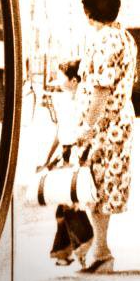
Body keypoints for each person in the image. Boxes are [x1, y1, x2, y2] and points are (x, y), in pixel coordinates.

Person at [73, 0, 138, 274]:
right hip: (118, 121)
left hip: (104, 125)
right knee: (101, 186)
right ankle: (97, 249)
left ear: (89, 12)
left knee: (94, 187)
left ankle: (100, 251)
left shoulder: (105, 40)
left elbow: (101, 87)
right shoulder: (125, 37)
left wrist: (87, 126)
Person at [47, 59, 94, 267]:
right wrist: (47, 159)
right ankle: (66, 251)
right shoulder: (65, 102)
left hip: (76, 154)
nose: (58, 81)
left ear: (74, 81)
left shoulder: (83, 103)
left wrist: (81, 157)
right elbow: (59, 134)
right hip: (66, 154)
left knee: (68, 203)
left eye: (61, 77)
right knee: (64, 202)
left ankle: (84, 242)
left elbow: (80, 133)